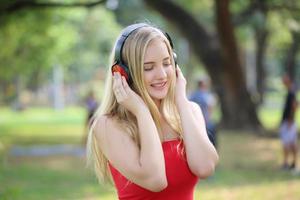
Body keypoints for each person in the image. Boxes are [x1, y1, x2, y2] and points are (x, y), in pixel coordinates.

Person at [86, 23, 219, 199]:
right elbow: (155, 180)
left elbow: (205, 167)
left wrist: (181, 101)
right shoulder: (108, 125)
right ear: (124, 73)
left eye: (166, 63)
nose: (162, 75)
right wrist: (142, 112)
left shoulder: (189, 111)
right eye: (148, 67)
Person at [189, 78, 217, 148]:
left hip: (195, 121)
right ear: (203, 85)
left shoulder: (192, 95)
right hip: (206, 121)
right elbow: (211, 108)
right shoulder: (207, 95)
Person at [279, 74, 298, 170]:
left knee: (288, 143)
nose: (283, 82)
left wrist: (290, 119)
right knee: (290, 142)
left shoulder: (291, 92)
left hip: (288, 122)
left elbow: (295, 105)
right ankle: (291, 162)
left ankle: (288, 163)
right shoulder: (291, 91)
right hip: (288, 121)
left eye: (284, 80)